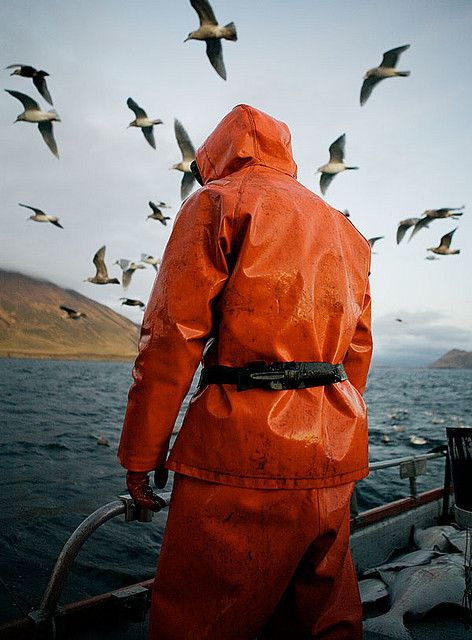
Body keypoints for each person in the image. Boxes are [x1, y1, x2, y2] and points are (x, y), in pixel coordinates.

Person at [118, 104, 373, 639]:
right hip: (333, 456)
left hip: (240, 456)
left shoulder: (216, 202)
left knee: (200, 623)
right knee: (325, 621)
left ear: (216, 155)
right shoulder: (346, 231)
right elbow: (358, 350)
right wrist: (329, 428)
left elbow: (171, 338)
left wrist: (142, 456)